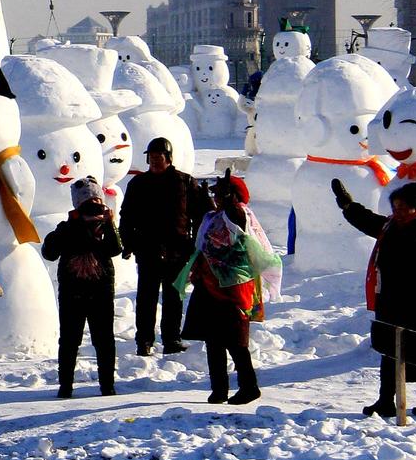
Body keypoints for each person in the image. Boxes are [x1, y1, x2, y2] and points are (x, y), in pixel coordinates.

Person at [332, 177, 416, 417]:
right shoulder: (391, 225)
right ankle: (386, 400)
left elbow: (408, 253)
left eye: (404, 208)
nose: (398, 212)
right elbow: (368, 221)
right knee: (390, 349)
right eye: (395, 208)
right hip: (393, 297)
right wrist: (348, 205)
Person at [179, 171, 282, 405]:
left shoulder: (240, 214)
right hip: (209, 284)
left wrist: (229, 202)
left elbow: (235, 221)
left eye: (221, 194)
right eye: (215, 194)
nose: (216, 198)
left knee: (235, 341)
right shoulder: (212, 217)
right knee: (212, 339)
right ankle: (219, 389)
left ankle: (249, 387)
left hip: (233, 287)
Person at [118, 138, 211, 356]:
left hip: (177, 251)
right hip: (147, 250)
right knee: (146, 299)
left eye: (158, 157)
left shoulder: (185, 182)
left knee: (173, 298)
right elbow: (127, 216)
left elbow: (201, 214)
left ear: (168, 158)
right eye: (151, 157)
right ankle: (144, 341)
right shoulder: (138, 184)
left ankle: (172, 339)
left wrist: (197, 245)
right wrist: (129, 243)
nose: (154, 161)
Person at [40, 176, 120, 398]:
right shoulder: (67, 227)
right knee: (69, 339)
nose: (93, 207)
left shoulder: (105, 226)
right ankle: (65, 386)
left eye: (97, 202)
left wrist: (110, 223)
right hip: (72, 291)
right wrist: (72, 225)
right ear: (77, 205)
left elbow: (115, 249)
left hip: (101, 289)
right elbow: (49, 253)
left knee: (104, 339)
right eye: (87, 203)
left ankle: (108, 385)